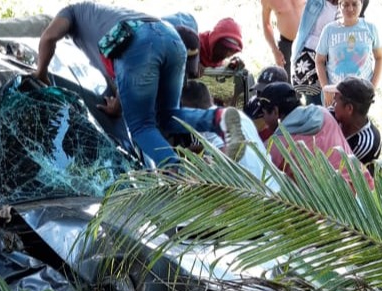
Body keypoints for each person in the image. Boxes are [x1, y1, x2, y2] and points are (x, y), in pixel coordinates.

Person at [34, 2, 241, 167]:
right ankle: (218, 119)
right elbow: (123, 74)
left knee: (142, 127)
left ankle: (176, 174)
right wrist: (120, 103)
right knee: (167, 116)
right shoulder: (105, 17)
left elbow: (49, 37)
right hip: (171, 38)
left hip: (141, 45)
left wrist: (40, 73)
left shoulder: (71, 12)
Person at [257, 81, 374, 189]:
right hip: (366, 190)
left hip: (335, 207)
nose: (263, 121)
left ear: (276, 111)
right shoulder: (324, 114)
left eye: (263, 114)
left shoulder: (274, 149)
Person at [316, 0, 382, 106]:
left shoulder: (370, 28)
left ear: (361, 4)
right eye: (345, 4)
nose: (350, 9)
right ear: (339, 5)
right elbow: (319, 61)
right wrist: (326, 89)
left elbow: (380, 57)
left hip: (361, 95)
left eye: (354, 4)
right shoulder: (329, 30)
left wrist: (372, 88)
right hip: (335, 95)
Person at [324, 76, 381, 175]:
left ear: (349, 109)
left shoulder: (365, 144)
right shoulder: (334, 114)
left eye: (336, 101)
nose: (332, 105)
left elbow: (338, 172)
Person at [260, 0, 305, 80]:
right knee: (288, 85)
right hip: (287, 45)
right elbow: (266, 24)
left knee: (319, 83)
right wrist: (275, 51)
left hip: (313, 40)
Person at [245, 65, 289, 141]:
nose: (260, 96)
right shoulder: (252, 106)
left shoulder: (289, 111)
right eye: (259, 91)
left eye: (266, 92)